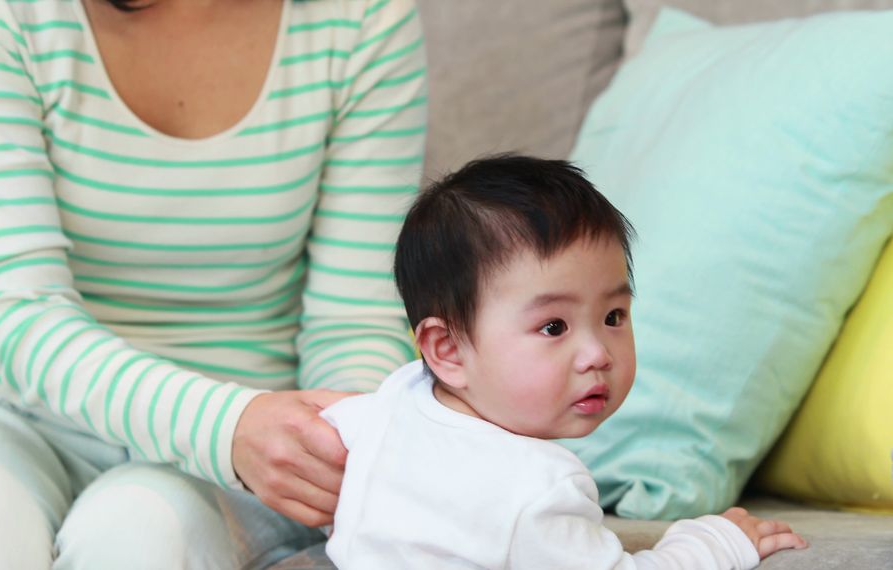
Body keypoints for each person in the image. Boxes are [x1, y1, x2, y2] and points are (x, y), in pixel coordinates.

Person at [0, 0, 427, 568]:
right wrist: (225, 426)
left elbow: (353, 318)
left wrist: (328, 442)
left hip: (239, 439)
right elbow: (21, 309)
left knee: (134, 541)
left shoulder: (362, 16)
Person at [320, 155, 808, 569]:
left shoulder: (390, 404)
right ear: (448, 349)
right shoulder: (536, 489)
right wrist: (716, 542)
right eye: (554, 327)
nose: (598, 354)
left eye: (614, 315)